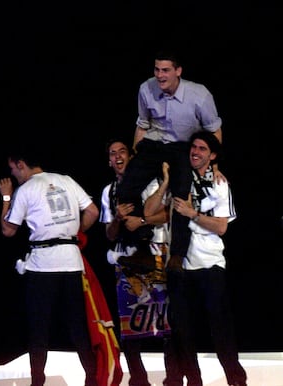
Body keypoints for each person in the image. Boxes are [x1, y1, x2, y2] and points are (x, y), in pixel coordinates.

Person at [144, 131, 247, 386]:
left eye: (202, 149)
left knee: (220, 328)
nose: (195, 152)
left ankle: (236, 380)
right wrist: (167, 182)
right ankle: (194, 380)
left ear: (212, 155)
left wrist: (192, 214)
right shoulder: (180, 177)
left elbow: (222, 227)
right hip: (180, 264)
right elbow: (149, 211)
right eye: (194, 147)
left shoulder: (219, 184)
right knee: (181, 331)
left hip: (211, 263)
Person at [0, 143, 100, 386]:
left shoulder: (26, 189)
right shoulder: (66, 180)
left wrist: (5, 196)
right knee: (78, 327)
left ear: (21, 165)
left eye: (13, 169)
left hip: (43, 266)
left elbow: (7, 230)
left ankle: (37, 383)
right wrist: (72, 233)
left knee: (39, 329)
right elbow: (93, 211)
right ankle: (92, 379)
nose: (13, 174)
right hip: (71, 260)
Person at [116, 50, 223, 271]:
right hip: (155, 144)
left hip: (183, 146)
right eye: (157, 69)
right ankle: (142, 248)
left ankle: (176, 255)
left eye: (165, 70)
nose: (160, 75)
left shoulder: (199, 95)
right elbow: (143, 124)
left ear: (178, 71)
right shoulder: (146, 88)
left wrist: (213, 165)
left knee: (181, 195)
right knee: (126, 186)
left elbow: (214, 131)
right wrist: (135, 157)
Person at [100, 138, 171, 386]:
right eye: (112, 153)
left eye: (122, 152)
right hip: (124, 258)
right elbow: (108, 234)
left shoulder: (151, 181)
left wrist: (141, 222)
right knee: (129, 324)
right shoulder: (109, 191)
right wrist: (118, 219)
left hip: (156, 252)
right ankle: (138, 379)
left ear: (131, 157)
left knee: (166, 321)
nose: (117, 156)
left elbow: (167, 214)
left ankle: (172, 377)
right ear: (109, 161)